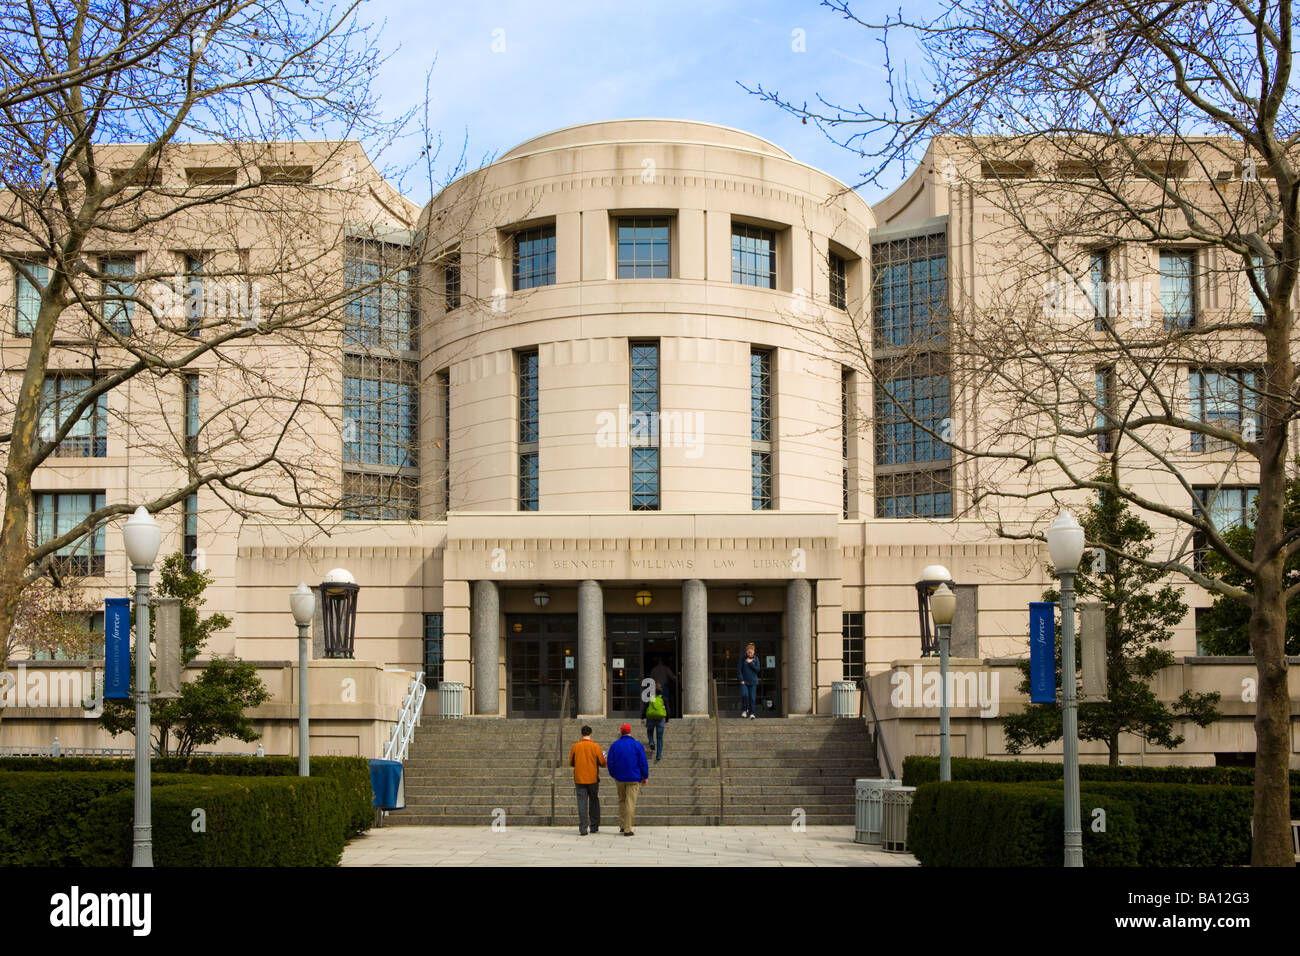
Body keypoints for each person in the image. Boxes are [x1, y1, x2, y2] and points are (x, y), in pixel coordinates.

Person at [606, 722, 649, 836]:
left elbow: (610, 762)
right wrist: (645, 776)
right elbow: (643, 762)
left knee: (622, 801)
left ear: (621, 733)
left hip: (619, 777)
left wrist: (613, 774)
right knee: (630, 802)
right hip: (634, 777)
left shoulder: (615, 745)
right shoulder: (637, 745)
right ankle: (627, 828)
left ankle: (622, 824)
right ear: (630, 732)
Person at [568, 725, 606, 836]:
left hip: (579, 778)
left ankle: (583, 828)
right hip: (593, 778)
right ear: (591, 734)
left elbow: (571, 762)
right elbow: (603, 763)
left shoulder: (575, 746)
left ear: (581, 734)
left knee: (581, 803)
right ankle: (594, 826)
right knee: (594, 801)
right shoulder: (595, 746)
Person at [642, 683, 668, 762]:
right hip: (660, 718)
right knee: (659, 737)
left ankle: (651, 742)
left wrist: (643, 717)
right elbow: (667, 708)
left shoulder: (651, 697)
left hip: (650, 718)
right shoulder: (663, 698)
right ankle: (659, 755)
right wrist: (667, 719)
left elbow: (646, 707)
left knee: (650, 731)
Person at [738, 643, 760, 718]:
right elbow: (739, 670)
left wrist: (751, 663)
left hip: (753, 682)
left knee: (752, 698)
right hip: (744, 681)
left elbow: (757, 669)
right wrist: (741, 679)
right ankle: (744, 710)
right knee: (745, 695)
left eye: (751, 652)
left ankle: (752, 713)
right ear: (746, 652)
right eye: (748, 652)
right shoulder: (742, 658)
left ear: (754, 652)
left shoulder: (756, 659)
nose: (750, 654)